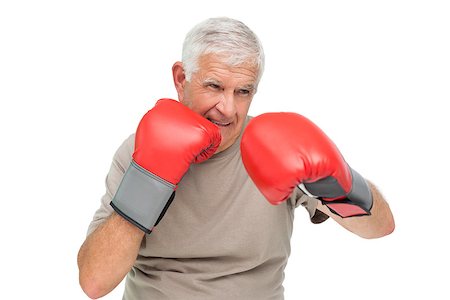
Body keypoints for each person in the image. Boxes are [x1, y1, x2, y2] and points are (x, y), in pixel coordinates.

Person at [77, 17, 395, 299]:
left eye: (243, 91)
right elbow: (94, 282)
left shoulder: (275, 147)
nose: (228, 109)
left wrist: (336, 178)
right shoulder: (138, 150)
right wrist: (151, 177)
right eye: (214, 86)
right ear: (181, 79)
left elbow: (379, 227)